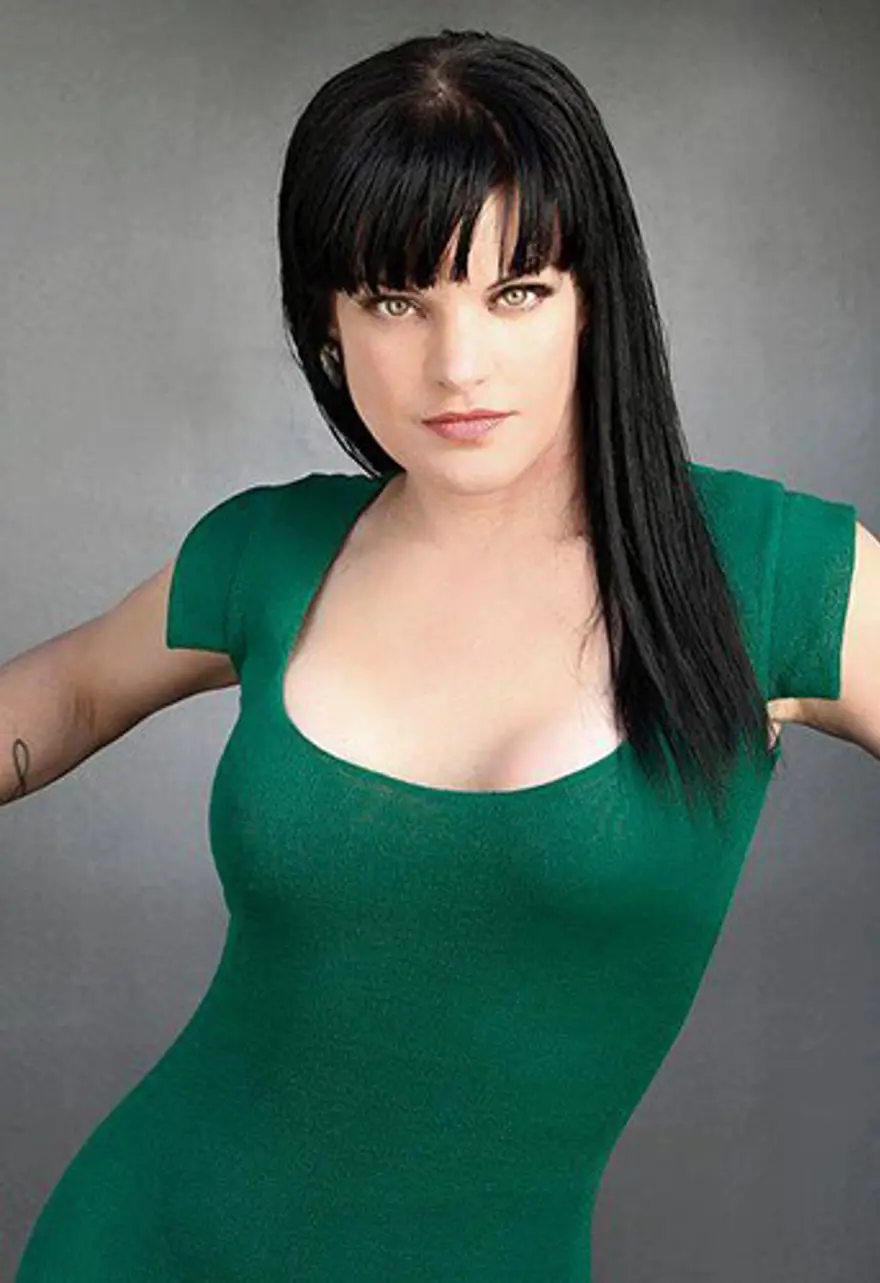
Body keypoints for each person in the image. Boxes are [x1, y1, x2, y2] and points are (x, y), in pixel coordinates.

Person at [6, 26, 877, 1283]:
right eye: (395, 299)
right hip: (143, 1240)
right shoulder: (269, 551)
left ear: (594, 298)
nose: (457, 364)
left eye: (516, 290)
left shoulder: (774, 569)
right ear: (325, 323)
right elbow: (73, 688)